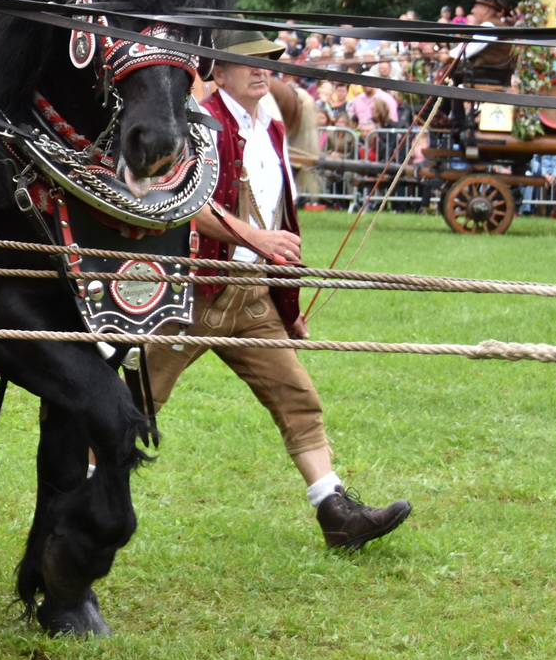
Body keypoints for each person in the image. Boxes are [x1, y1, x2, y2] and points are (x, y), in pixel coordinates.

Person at [144, 30, 411, 550]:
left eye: (268, 61)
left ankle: (336, 513)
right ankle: (79, 491)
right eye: (247, 64)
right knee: (137, 401)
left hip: (253, 297)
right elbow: (182, 200)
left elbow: (280, 215)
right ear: (217, 74)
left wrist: (286, 304)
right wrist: (256, 239)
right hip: (197, 293)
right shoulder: (199, 123)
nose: (261, 70)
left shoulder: (270, 125)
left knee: (298, 397)